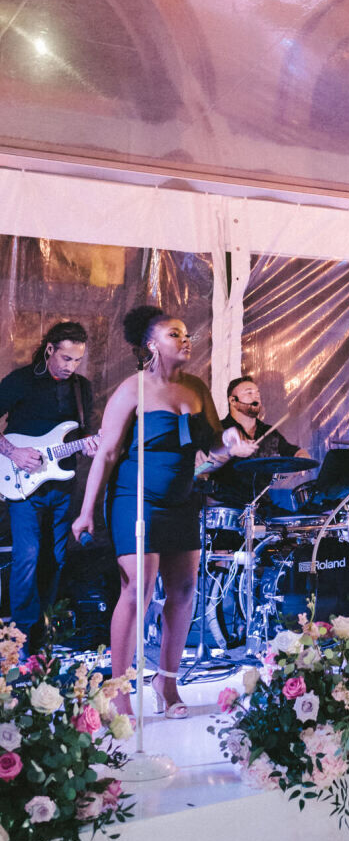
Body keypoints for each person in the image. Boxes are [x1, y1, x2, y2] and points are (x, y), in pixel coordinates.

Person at [71, 306, 255, 719]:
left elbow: (210, 453)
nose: (186, 339)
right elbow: (107, 453)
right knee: (139, 587)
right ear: (152, 344)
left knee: (186, 589)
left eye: (187, 334)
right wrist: (86, 513)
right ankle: (118, 691)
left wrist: (231, 444)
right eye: (176, 334)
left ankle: (166, 682)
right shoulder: (131, 390)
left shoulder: (197, 389)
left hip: (181, 502)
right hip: (134, 501)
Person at [0, 321, 98, 653]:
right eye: (66, 358)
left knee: (55, 559)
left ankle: (44, 633)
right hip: (22, 484)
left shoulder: (81, 389)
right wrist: (13, 451)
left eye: (78, 360)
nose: (72, 366)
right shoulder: (22, 380)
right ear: (50, 349)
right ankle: (23, 639)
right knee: (26, 557)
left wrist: (88, 444)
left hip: (61, 484)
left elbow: (86, 434)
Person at [210, 375, 310, 510]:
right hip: (226, 509)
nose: (256, 397)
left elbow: (294, 451)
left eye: (257, 393)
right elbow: (201, 467)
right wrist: (229, 451)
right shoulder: (218, 430)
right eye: (249, 393)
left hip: (262, 507)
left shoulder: (268, 432)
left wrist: (302, 457)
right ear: (233, 401)